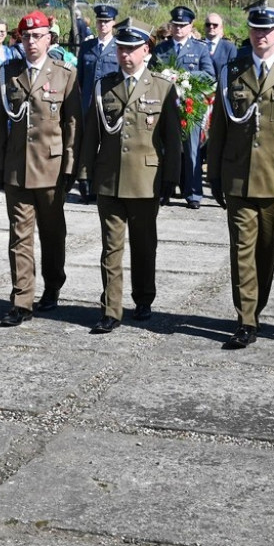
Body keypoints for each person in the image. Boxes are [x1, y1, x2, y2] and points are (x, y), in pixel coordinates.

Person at [207, 0, 274, 349]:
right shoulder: (231, 73)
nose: (261, 35)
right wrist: (214, 175)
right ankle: (246, 318)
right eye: (255, 28)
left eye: (268, 29)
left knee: (266, 251)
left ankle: (258, 306)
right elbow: (219, 128)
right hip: (237, 175)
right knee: (242, 249)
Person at [78, 18, 182, 333]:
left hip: (145, 180)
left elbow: (173, 140)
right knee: (111, 247)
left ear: (146, 51)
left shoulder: (162, 87)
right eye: (122, 48)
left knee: (143, 244)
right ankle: (111, 309)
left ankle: (144, 298)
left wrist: (170, 179)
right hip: (109, 179)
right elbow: (91, 134)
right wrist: (85, 171)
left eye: (132, 49)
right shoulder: (103, 86)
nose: (126, 55)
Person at [0, 10, 80, 326]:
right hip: (17, 166)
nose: (31, 42)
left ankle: (53, 286)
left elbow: (72, 123)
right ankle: (22, 300)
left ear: (49, 39)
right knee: (20, 236)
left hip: (52, 168)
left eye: (37, 36)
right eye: (26, 36)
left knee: (53, 234)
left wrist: (70, 166)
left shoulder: (65, 73)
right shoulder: (8, 73)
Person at [149, 5, 216, 210]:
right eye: (175, 25)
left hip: (189, 105)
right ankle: (164, 190)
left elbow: (209, 75)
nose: (178, 29)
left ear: (191, 26)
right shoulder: (161, 49)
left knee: (191, 150)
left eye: (182, 25)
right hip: (166, 106)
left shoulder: (200, 48)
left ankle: (193, 193)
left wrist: (185, 76)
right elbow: (151, 73)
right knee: (165, 149)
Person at [75, 4, 120, 202]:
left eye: (107, 21)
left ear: (113, 23)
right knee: (88, 146)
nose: (103, 25)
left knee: (107, 146)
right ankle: (87, 184)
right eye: (100, 21)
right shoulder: (87, 46)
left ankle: (105, 184)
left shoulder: (119, 46)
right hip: (88, 104)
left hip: (110, 105)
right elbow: (80, 78)